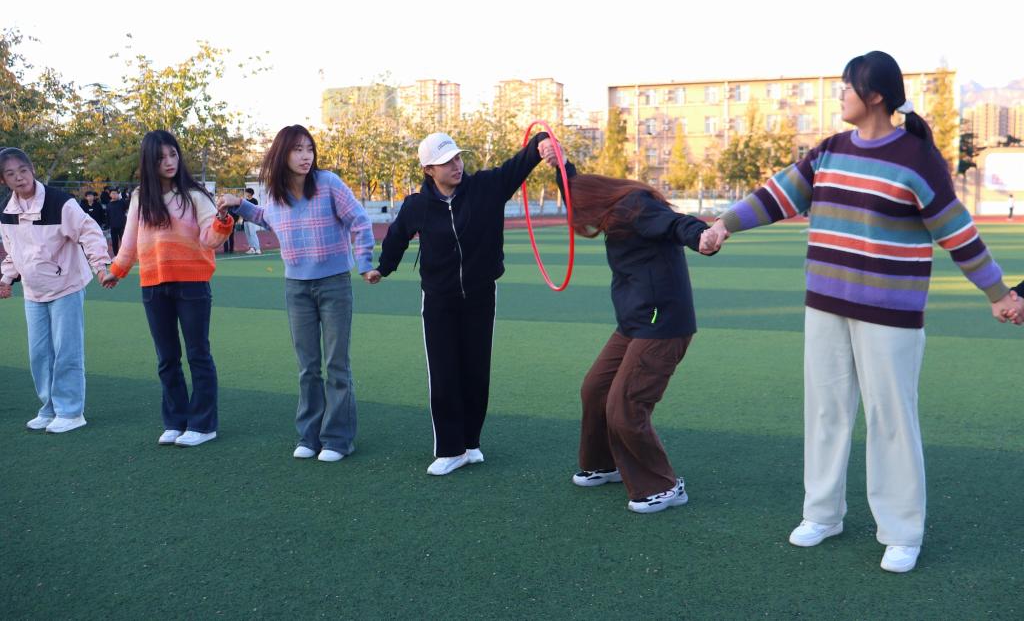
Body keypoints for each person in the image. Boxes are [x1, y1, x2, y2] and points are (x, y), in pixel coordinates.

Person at [703, 51, 1021, 573]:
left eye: (847, 86)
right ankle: (821, 514)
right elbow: (778, 195)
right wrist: (724, 225)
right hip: (826, 306)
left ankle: (902, 531)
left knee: (891, 419)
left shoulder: (917, 160)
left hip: (889, 315)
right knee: (825, 411)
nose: (840, 95)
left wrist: (998, 294)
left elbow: (958, 234)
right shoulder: (830, 150)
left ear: (874, 95)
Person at [365, 131, 562, 476]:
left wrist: (541, 142)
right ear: (429, 170)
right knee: (444, 374)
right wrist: (383, 268)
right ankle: (450, 449)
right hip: (438, 299)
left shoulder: (486, 187)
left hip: (481, 295)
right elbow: (397, 237)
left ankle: (470, 444)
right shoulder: (417, 205)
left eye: (457, 157)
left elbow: (518, 165)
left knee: (476, 372)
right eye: (446, 162)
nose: (456, 165)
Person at [560, 165, 719, 513]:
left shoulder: (634, 206)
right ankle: (604, 464)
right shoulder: (612, 211)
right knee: (595, 389)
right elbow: (573, 190)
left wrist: (701, 237)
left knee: (625, 405)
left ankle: (663, 486)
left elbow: (675, 223)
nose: (582, 222)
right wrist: (560, 165)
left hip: (662, 322)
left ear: (593, 201)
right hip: (634, 322)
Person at [217, 125, 375, 462]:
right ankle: (309, 436)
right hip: (297, 287)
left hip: (334, 283)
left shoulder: (328, 183)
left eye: (309, 149)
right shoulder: (276, 192)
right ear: (282, 154)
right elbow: (267, 218)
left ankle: (337, 439)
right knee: (308, 367)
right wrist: (238, 204)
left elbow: (360, 220)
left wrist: (364, 263)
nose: (306, 156)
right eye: (297, 150)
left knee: (336, 365)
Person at [103, 130, 234, 447]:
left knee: (198, 354)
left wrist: (222, 221)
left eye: (173, 154)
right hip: (153, 284)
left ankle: (203, 425)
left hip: (192, 283)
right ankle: (176, 421)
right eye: (161, 157)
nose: (169, 161)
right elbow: (130, 240)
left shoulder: (194, 194)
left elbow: (210, 239)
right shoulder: (140, 197)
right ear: (149, 161)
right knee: (167, 358)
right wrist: (116, 270)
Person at [0, 147, 112, 433]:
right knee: (39, 354)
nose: (19, 178)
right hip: (33, 291)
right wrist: (6, 278)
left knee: (66, 351)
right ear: (3, 180)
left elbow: (89, 232)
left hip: (66, 286)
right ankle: (49, 408)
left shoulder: (60, 202)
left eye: (23, 171)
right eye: (11, 174)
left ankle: (71, 412)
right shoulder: (7, 211)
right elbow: (13, 250)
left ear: (32, 170)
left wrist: (101, 266)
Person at [106, 188, 129, 256]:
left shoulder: (121, 202)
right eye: (113, 193)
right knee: (114, 242)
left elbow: (127, 206)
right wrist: (108, 225)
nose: (114, 195)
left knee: (124, 241)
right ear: (110, 195)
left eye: (116, 193)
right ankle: (116, 255)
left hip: (122, 226)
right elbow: (108, 216)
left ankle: (125, 255)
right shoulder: (108, 205)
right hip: (113, 226)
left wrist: (121, 198)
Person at [241, 188, 262, 254]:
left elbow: (256, 210)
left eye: (246, 192)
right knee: (248, 235)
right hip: (245, 220)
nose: (245, 193)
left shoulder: (254, 201)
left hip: (251, 220)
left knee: (253, 234)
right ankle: (252, 248)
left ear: (250, 193)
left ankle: (258, 249)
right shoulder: (244, 201)